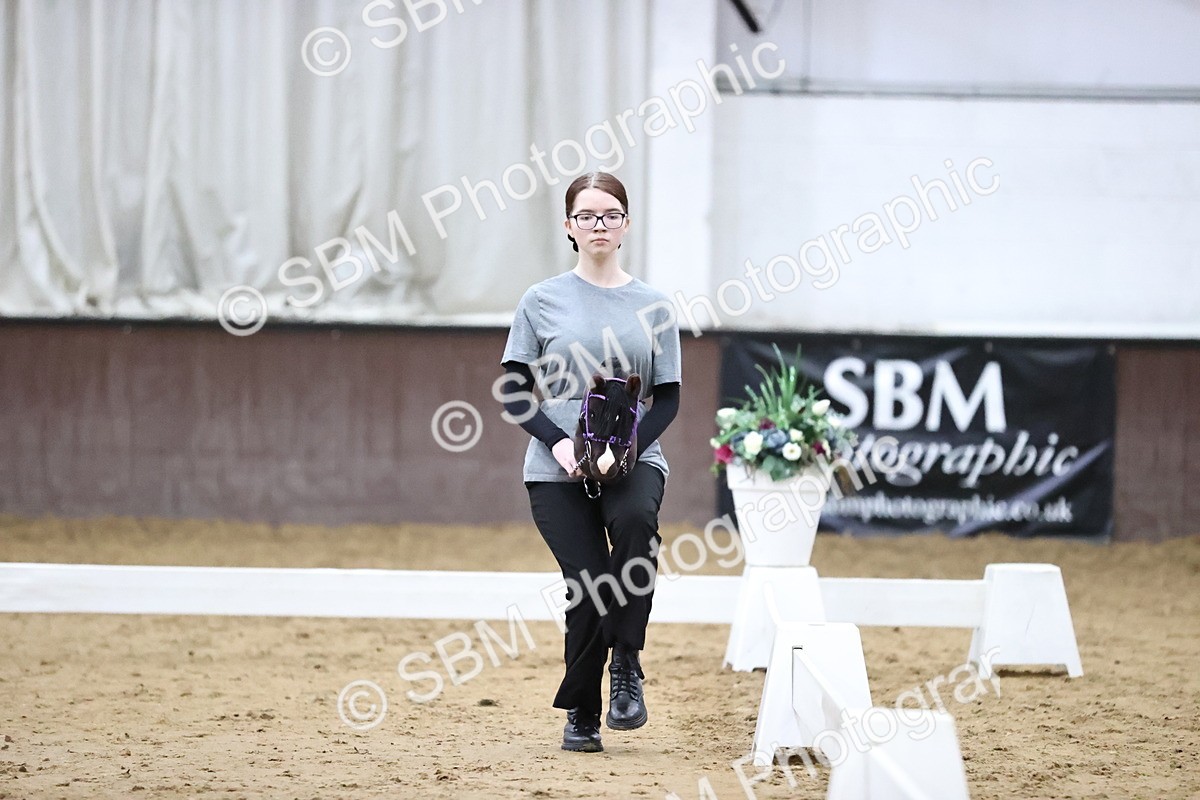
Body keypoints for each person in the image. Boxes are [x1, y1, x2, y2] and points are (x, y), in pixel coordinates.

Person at [499, 171, 682, 753]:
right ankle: (582, 710)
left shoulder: (654, 305)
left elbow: (668, 397)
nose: (598, 224)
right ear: (569, 226)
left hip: (635, 458)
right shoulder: (541, 300)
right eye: (587, 216)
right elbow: (513, 391)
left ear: (625, 224)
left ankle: (625, 661)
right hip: (557, 467)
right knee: (589, 584)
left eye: (610, 215)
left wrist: (628, 449)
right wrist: (558, 442)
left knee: (636, 524)